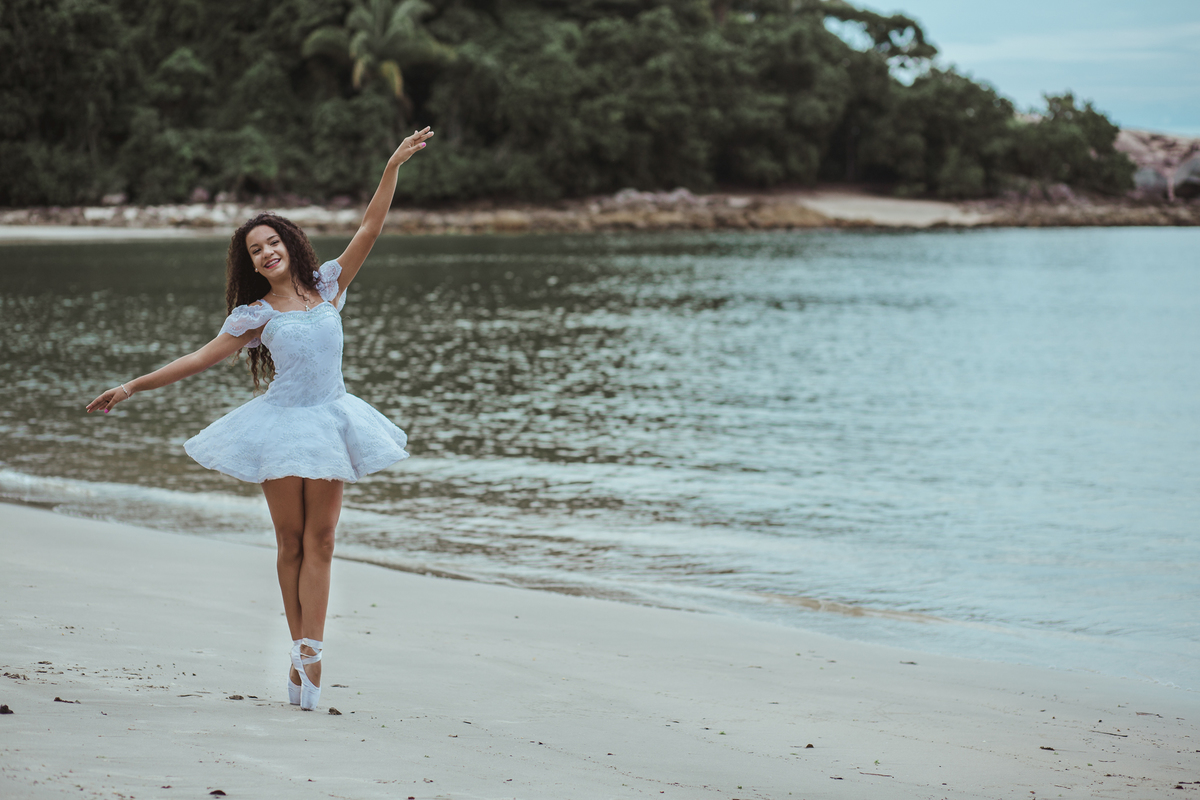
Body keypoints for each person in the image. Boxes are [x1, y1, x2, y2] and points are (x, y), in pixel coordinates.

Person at [86, 127, 435, 710]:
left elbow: (370, 228)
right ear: (250, 263)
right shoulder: (254, 315)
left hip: (332, 420)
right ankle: (299, 649)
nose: (267, 252)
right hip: (280, 425)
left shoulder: (328, 285)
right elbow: (198, 359)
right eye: (256, 249)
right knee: (291, 542)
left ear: (290, 244)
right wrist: (131, 386)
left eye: (273, 241)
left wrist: (391, 167)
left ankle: (310, 653)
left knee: (323, 540)